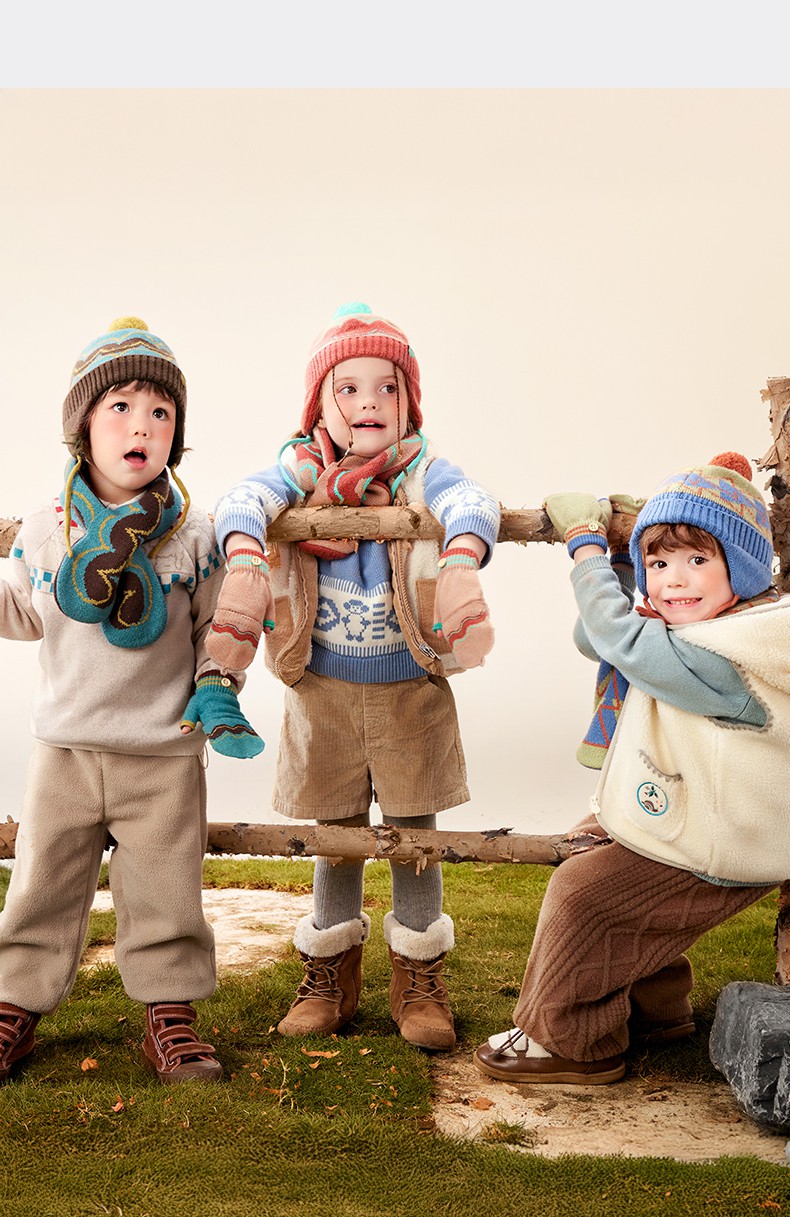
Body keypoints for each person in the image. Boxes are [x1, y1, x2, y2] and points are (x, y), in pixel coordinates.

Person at [208, 302, 500, 1049]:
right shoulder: (295, 473)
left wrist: (460, 558)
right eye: (349, 388)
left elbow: (471, 501)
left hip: (410, 689)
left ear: (409, 402)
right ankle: (330, 973)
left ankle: (419, 977)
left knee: (413, 837)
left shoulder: (424, 472)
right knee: (334, 836)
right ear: (321, 404)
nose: (369, 402)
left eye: (387, 388)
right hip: (322, 690)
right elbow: (240, 500)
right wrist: (246, 557)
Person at [0, 316, 262, 1084]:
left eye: (160, 410)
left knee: (166, 888)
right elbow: (21, 611)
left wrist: (220, 685)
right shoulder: (46, 529)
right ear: (83, 423)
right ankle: (13, 1003)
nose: (141, 425)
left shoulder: (197, 535)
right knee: (42, 881)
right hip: (67, 748)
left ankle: (170, 1015)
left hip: (163, 752)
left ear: (176, 433)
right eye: (119, 406)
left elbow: (219, 628)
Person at [474, 451, 789, 1085]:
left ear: (744, 568)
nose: (674, 580)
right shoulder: (707, 626)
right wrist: (620, 563)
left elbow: (617, 638)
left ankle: (572, 1041)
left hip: (730, 838)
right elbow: (596, 636)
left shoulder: (732, 653)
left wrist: (587, 547)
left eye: (698, 560)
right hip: (703, 815)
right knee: (595, 853)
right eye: (658, 563)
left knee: (585, 894)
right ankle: (655, 1008)